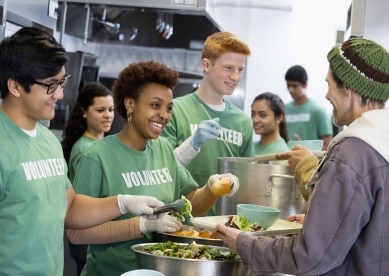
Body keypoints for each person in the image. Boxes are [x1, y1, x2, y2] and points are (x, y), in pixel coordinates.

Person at [0, 27, 166, 276]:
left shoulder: (48, 141)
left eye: (62, 82)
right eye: (50, 85)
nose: (60, 94)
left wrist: (123, 203)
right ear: (14, 86)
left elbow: (70, 208)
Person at [216, 37, 389, 275]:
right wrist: (315, 223)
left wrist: (245, 244)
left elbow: (311, 257)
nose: (327, 95)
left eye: (329, 85)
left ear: (348, 89)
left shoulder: (352, 154)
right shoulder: (381, 145)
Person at [67, 60, 240, 275]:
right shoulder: (97, 156)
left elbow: (190, 203)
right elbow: (76, 232)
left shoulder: (164, 149)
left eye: (168, 108)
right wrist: (141, 226)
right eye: (155, 105)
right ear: (130, 104)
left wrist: (212, 189)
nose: (165, 116)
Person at [161, 31, 254, 216]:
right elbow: (161, 169)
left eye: (240, 69)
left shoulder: (243, 122)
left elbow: (247, 182)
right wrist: (192, 144)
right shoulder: (175, 110)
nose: (235, 77)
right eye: (228, 68)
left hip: (225, 226)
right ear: (206, 65)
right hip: (177, 222)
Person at [61, 83, 114, 275]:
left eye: (110, 109)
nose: (107, 115)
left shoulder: (100, 144)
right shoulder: (86, 149)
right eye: (100, 110)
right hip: (87, 230)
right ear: (84, 112)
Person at [284, 65, 333, 150]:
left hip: (309, 161)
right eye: (288, 86)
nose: (290, 90)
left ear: (305, 84)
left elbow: (327, 145)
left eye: (294, 86)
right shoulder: (284, 109)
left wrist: (305, 149)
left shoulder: (318, 110)